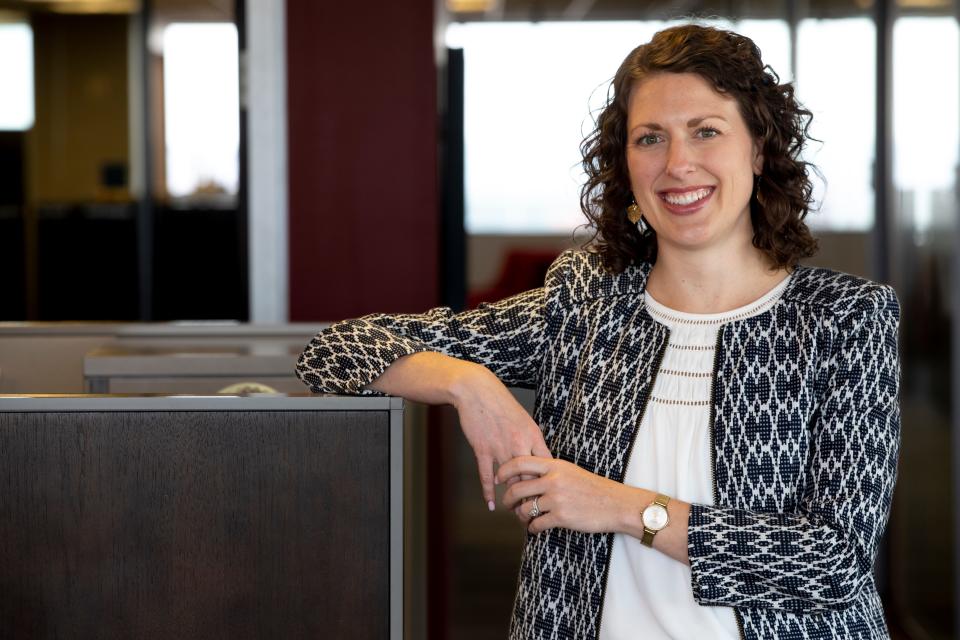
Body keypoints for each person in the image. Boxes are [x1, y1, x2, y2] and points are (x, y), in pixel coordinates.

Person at [296, 23, 901, 640]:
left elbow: (834, 562)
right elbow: (334, 352)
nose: (677, 164)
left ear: (760, 150)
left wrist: (621, 506)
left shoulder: (843, 320)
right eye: (650, 138)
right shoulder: (587, 299)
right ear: (626, 162)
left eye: (707, 131)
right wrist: (467, 383)